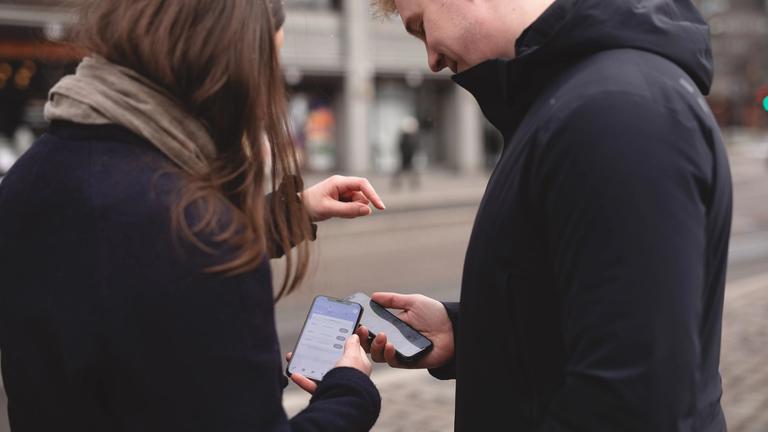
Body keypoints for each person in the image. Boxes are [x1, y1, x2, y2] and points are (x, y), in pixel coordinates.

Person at [0, 1, 385, 431]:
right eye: (265, 70)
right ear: (222, 67)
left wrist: (287, 213)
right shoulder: (196, 233)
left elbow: (120, 258)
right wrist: (349, 391)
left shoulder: (29, 177)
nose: (265, 99)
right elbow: (164, 246)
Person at [362, 0, 732, 431]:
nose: (431, 60)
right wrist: (464, 332)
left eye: (422, 27)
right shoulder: (570, 99)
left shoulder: (614, 111)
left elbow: (630, 403)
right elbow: (574, 316)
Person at [392, 116, 421, 189]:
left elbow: (414, 146)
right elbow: (403, 147)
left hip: (409, 156)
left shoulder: (410, 136)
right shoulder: (405, 137)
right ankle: (412, 183)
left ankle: (413, 183)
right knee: (405, 169)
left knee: (409, 169)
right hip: (406, 156)